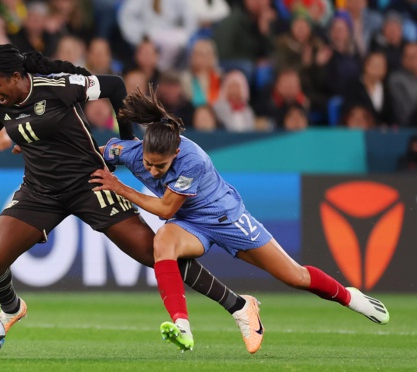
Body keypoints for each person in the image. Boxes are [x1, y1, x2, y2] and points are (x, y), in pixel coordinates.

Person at [0, 44, 264, 354]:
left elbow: (116, 86)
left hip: (90, 184)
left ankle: (239, 305)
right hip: (39, 191)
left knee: (154, 254)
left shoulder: (59, 86)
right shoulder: (2, 104)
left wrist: (127, 143)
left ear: (17, 77)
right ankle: (12, 309)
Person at [90, 86, 391, 352]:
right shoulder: (128, 151)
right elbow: (97, 154)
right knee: (163, 242)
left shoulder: (192, 159)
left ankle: (350, 298)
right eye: (148, 164)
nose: (154, 171)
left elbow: (166, 209)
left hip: (227, 219)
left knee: (294, 276)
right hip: (191, 223)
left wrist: (121, 187)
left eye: (161, 165)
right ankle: (182, 326)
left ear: (176, 152)